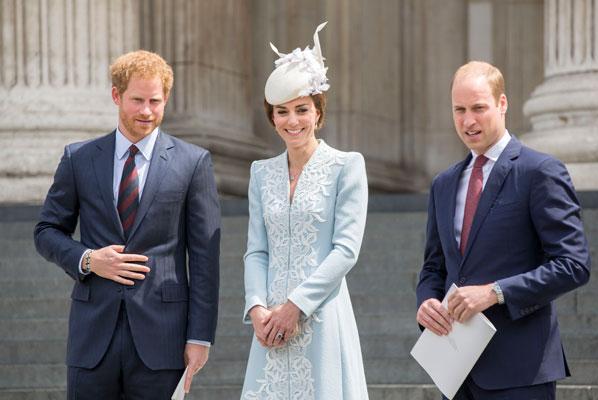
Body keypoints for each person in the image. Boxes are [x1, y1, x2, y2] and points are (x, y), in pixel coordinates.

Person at [34, 50, 221, 399]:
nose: (147, 111)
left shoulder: (194, 163)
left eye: (155, 100)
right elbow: (46, 231)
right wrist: (89, 259)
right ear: (116, 95)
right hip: (92, 337)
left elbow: (205, 259)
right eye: (137, 100)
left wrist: (200, 336)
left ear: (166, 98)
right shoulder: (80, 158)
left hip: (163, 339)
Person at [416, 61, 591, 400]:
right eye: (459, 110)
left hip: (520, 371)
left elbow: (574, 265)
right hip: (455, 370)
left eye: (479, 108)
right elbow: (433, 268)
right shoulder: (443, 184)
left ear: (502, 103)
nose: (468, 121)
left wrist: (494, 292)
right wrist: (427, 302)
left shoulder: (540, 171)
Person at [241, 22, 369, 399]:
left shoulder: (347, 166)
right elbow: (256, 250)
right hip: (269, 325)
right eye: (282, 112)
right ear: (272, 117)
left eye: (301, 109)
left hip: (323, 317)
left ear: (318, 112)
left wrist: (296, 306)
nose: (292, 121)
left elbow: (346, 250)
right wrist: (258, 309)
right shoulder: (260, 173)